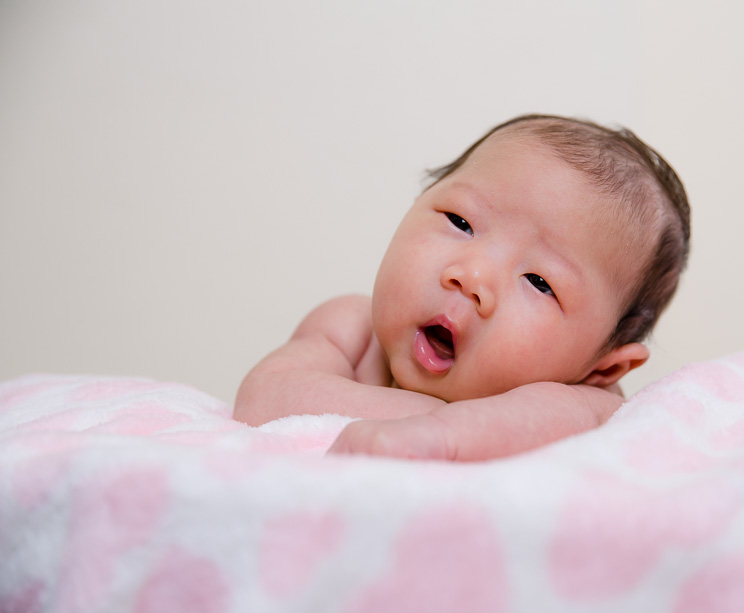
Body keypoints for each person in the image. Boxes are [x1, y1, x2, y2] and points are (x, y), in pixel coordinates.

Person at [233, 114, 690, 461]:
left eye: (539, 281)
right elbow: (264, 396)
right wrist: (428, 418)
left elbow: (534, 428)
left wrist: (438, 437)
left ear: (602, 368)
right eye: (461, 221)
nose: (471, 277)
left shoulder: (587, 404)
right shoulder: (348, 330)